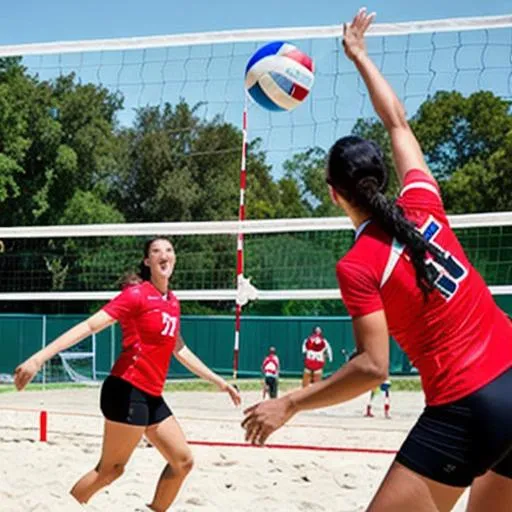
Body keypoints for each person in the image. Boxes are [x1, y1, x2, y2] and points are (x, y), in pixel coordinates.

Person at [242, 8, 512, 512]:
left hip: (467, 405)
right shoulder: (424, 201)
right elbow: (397, 121)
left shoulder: (359, 264)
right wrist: (360, 55)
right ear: (383, 179)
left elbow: (372, 366)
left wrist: (289, 404)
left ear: (333, 194)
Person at [14, 237, 241, 512]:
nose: (164, 255)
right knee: (110, 470)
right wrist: (38, 359)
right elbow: (89, 326)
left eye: (169, 250)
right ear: (148, 261)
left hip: (152, 394)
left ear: (175, 259)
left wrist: (219, 382)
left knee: (182, 462)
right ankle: (63, 506)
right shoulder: (136, 295)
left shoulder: (172, 302)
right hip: (127, 388)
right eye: (156, 251)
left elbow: (179, 349)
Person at [349, 349, 391, 419]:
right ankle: (384, 412)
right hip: (380, 377)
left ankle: (371, 410)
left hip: (378, 377)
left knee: (376, 393)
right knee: (384, 394)